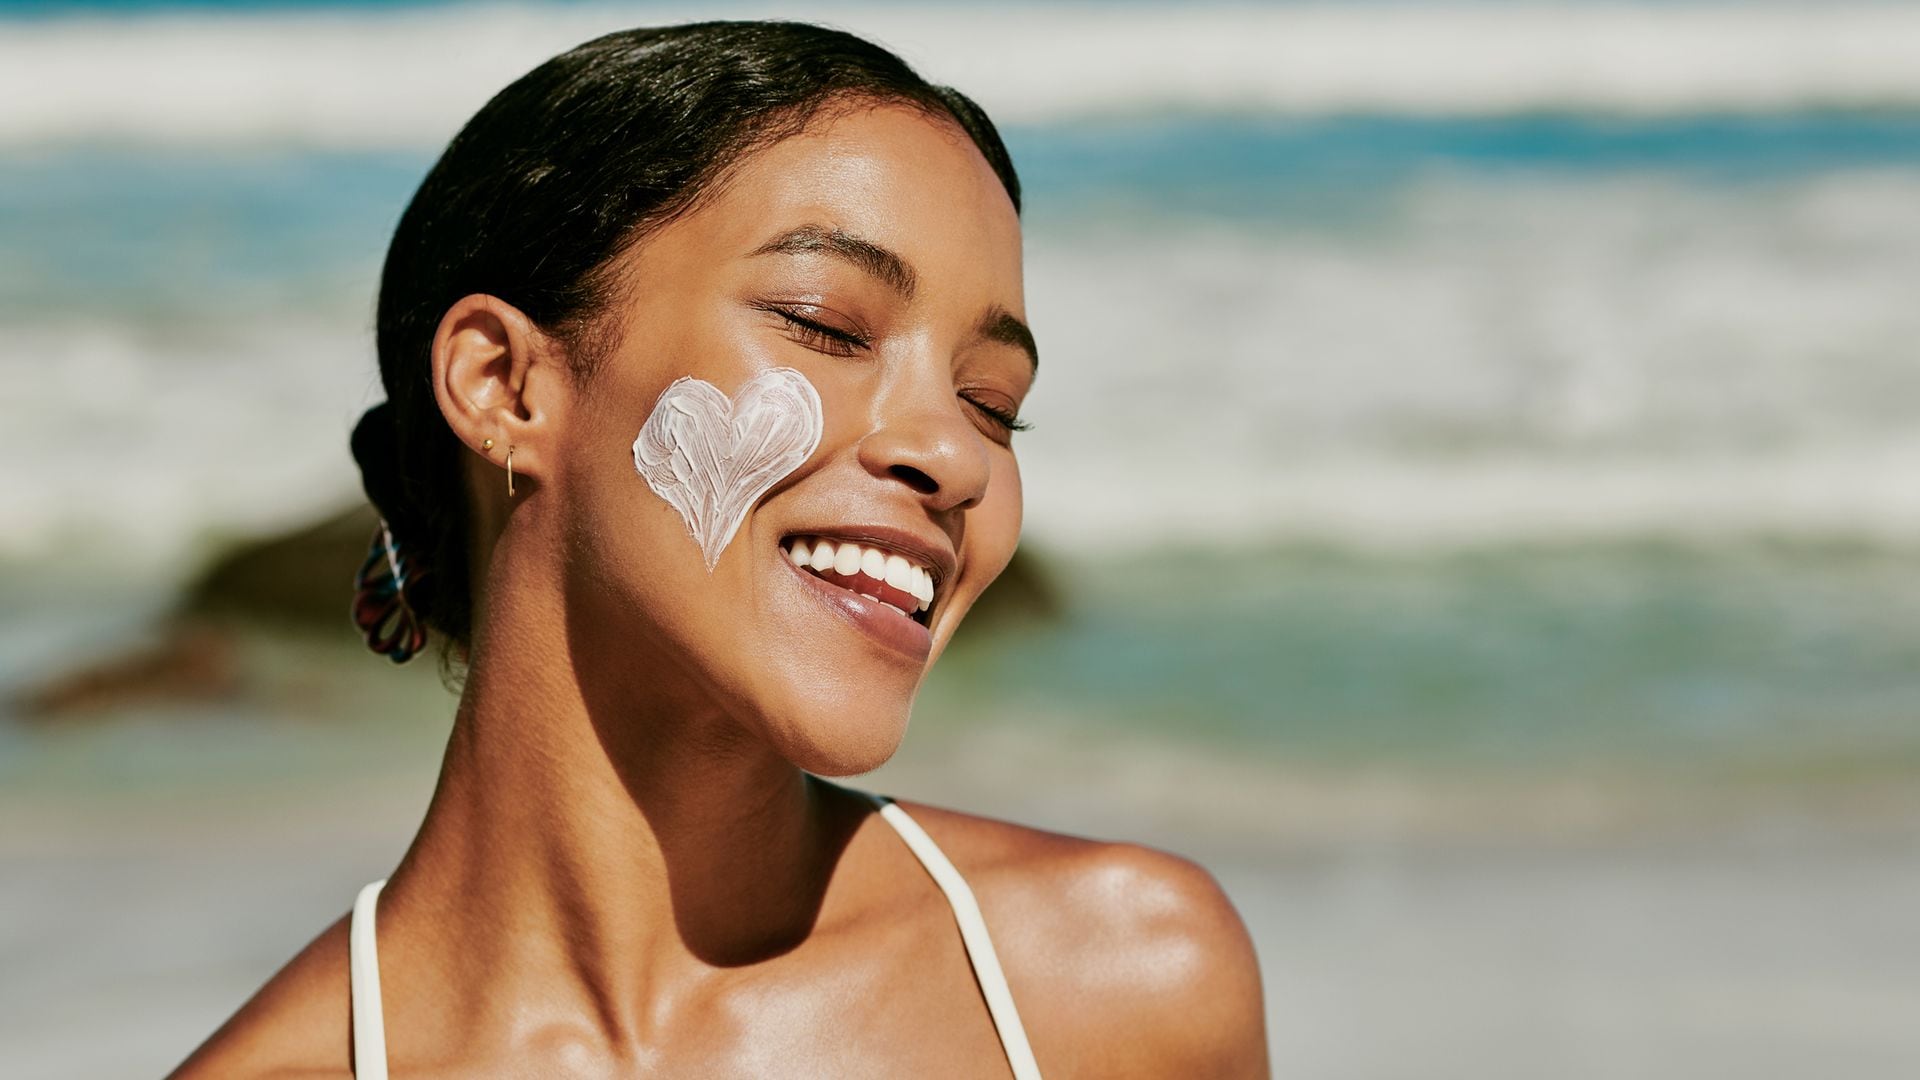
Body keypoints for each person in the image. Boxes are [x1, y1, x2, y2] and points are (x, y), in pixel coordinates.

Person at [171, 20, 1267, 1078]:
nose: (957, 455)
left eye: (993, 402)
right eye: (827, 324)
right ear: (503, 386)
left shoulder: (1117, 982)